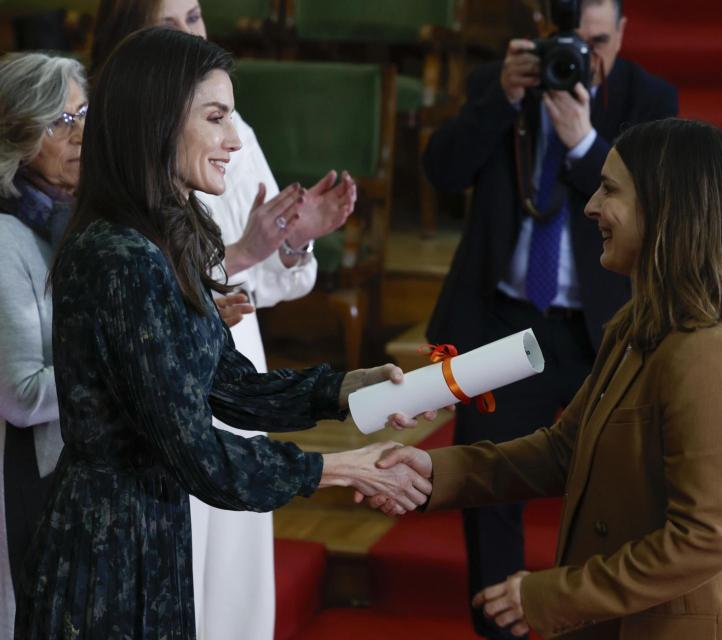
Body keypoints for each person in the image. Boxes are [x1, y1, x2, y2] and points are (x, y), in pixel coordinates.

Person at [13, 27, 431, 639]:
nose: (235, 141)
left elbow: (229, 386)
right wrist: (344, 469)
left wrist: (343, 389)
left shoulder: (162, 238)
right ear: (158, 122)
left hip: (151, 533)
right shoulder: (119, 255)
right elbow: (199, 455)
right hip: (105, 554)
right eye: (217, 118)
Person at [366, 118, 722, 639]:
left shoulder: (713, 353)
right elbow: (565, 452)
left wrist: (552, 596)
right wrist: (432, 471)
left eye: (609, 190)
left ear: (667, 210)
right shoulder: (635, 326)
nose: (590, 206)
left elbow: (703, 538)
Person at [88, 2, 358, 638]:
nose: (190, 32)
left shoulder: (225, 127)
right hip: (158, 402)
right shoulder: (113, 155)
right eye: (170, 20)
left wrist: (288, 243)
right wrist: (238, 257)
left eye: (196, 15)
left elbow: (264, 275)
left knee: (232, 573)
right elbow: (157, 281)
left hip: (228, 356)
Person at [421, 1, 677, 635]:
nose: (583, 62)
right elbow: (441, 172)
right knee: (487, 487)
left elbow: (658, 210)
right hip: (506, 319)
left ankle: (597, 624)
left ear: (623, 34)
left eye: (599, 43)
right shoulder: (498, 84)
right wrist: (501, 101)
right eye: (572, 43)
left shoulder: (650, 97)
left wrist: (585, 145)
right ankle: (498, 629)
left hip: (608, 326)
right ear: (541, 33)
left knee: (620, 487)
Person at [0, 52, 89, 640]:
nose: (80, 132)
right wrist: (125, 362)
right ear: (18, 135)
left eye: (83, 113)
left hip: (85, 469)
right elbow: (22, 396)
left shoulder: (79, 219)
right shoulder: (7, 236)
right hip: (35, 477)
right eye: (60, 120)